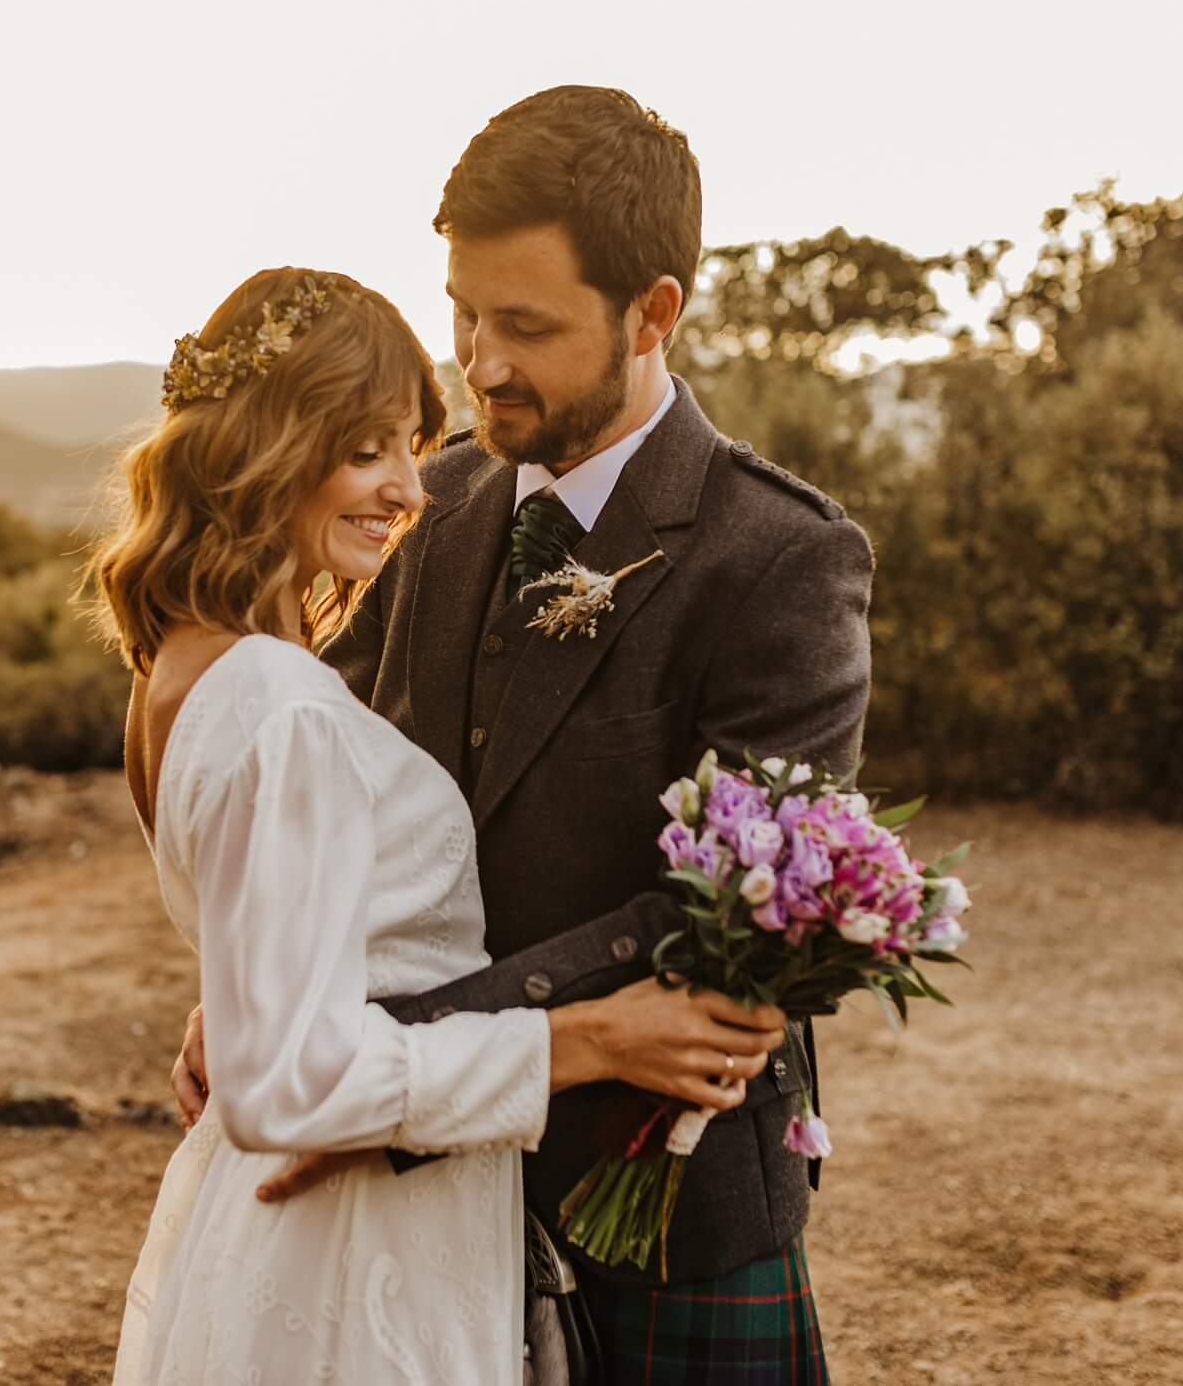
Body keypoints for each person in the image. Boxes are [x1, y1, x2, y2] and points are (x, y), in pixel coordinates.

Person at [171, 87, 875, 1381]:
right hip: (412, 1200)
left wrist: (390, 1059)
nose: (479, 362)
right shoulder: (422, 506)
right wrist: (268, 987)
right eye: (464, 313)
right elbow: (319, 781)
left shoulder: (780, 557)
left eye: (526, 326)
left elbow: (720, 917)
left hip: (659, 1187)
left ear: (653, 313)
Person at [93, 264, 791, 1383]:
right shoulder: (283, 706)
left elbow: (281, 945)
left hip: (291, 1222)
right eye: (367, 450)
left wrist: (258, 985)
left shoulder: (182, 668)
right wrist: (597, 1037)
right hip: (351, 1235)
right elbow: (293, 1087)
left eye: (411, 447)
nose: (409, 490)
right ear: (269, 445)